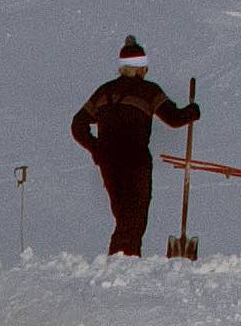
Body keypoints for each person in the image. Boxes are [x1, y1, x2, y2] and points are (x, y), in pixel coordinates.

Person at [72, 38, 198, 257]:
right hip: (136, 160)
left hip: (109, 163)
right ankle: (123, 260)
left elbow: (77, 125)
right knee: (135, 215)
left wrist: (96, 148)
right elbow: (174, 118)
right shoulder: (148, 91)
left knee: (123, 214)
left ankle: (124, 261)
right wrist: (193, 111)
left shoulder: (104, 92)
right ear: (142, 68)